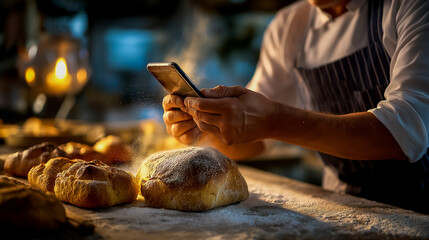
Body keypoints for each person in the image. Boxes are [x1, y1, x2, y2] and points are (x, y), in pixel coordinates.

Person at [162, 0, 429, 213]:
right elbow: (255, 140)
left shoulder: (410, 6)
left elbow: (405, 131)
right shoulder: (289, 26)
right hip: (346, 206)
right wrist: (207, 130)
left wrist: (274, 120)